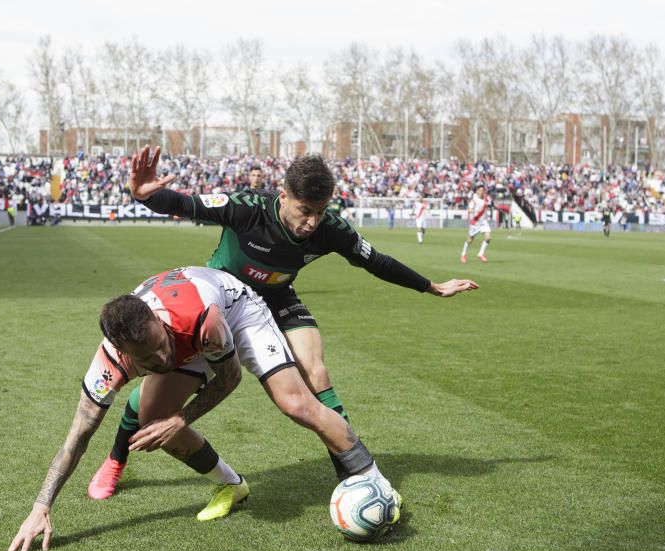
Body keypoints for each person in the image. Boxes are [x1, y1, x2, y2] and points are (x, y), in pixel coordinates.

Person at [86, 146, 478, 499]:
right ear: (284, 195)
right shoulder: (247, 207)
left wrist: (431, 287)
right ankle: (116, 459)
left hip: (276, 301)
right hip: (221, 304)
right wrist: (143, 196)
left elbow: (375, 261)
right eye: (305, 211)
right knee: (151, 400)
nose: (312, 222)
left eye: (320, 211)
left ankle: (353, 471)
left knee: (316, 371)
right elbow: (186, 204)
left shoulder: (331, 230)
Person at [7, 265, 401, 551]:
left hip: (236, 313)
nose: (162, 357)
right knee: (150, 420)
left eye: (161, 344)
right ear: (126, 355)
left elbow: (229, 379)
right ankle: (231, 484)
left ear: (157, 321)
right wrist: (40, 508)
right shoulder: (109, 364)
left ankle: (378, 484)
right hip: (191, 335)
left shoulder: (199, 320)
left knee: (295, 403)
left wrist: (182, 418)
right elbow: (76, 439)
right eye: (148, 358)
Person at [462, 184, 491, 263]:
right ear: (477, 191)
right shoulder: (474, 200)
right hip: (476, 222)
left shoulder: (486, 199)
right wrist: (476, 211)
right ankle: (463, 253)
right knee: (470, 240)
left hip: (484, 222)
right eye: (480, 190)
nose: (482, 192)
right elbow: (469, 210)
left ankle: (481, 254)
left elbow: (487, 207)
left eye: (483, 190)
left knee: (488, 238)